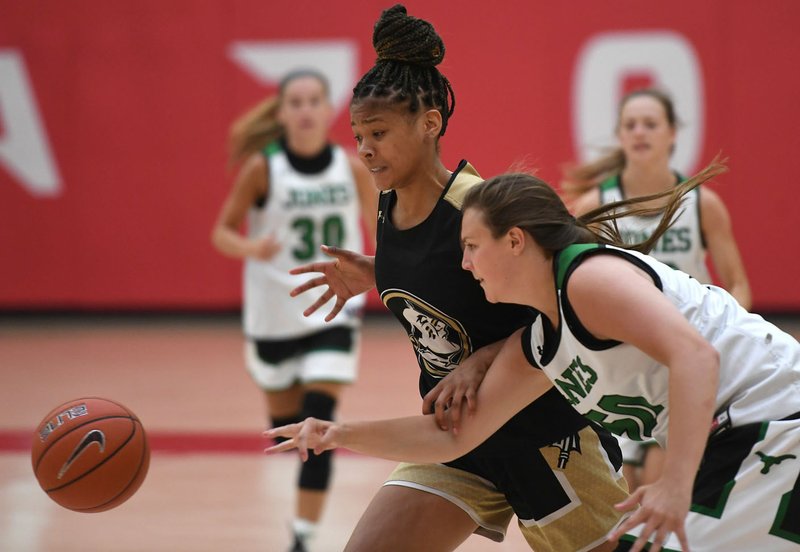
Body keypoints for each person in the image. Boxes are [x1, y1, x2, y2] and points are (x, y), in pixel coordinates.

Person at [267, 163, 800, 552]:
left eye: (473, 246)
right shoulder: (543, 341)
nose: (465, 263)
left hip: (771, 417)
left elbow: (695, 357)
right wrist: (339, 434)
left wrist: (674, 484)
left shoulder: (588, 279)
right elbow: (454, 436)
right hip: (745, 436)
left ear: (516, 241)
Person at [282, 5, 630, 551]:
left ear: (429, 123)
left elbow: (570, 302)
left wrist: (483, 360)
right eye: (357, 134)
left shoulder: (482, 206)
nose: (365, 148)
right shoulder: (389, 201)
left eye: (378, 132)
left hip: (545, 434)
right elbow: (448, 281)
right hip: (458, 438)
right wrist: (378, 273)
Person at [210, 69, 377, 552]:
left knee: (317, 423)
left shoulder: (350, 167)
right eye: (295, 102)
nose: (305, 109)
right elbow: (221, 231)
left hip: (332, 310)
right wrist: (250, 248)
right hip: (272, 317)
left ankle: (302, 539)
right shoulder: (264, 168)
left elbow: (382, 230)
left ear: (329, 112)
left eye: (313, 101)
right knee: (286, 424)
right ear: (282, 113)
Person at [564, 88, 752, 492]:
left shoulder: (701, 203)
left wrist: (726, 330)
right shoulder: (596, 204)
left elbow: (736, 280)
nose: (639, 132)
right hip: (621, 364)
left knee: (658, 483)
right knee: (624, 498)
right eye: (630, 125)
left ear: (672, 134)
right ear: (619, 135)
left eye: (650, 124)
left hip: (681, 358)